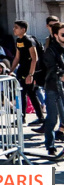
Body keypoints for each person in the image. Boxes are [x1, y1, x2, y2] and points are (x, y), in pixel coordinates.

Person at [10, 20, 44, 124]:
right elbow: (17, 57)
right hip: (22, 70)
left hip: (30, 71)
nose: (14, 29)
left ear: (23, 29)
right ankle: (22, 117)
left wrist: (31, 74)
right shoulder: (18, 41)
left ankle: (39, 117)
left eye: (16, 27)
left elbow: (35, 58)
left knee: (31, 93)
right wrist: (10, 70)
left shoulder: (29, 41)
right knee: (23, 94)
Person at [41, 22, 64, 156]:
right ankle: (50, 145)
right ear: (55, 35)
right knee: (52, 118)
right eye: (63, 34)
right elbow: (51, 67)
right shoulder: (50, 50)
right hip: (53, 87)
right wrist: (61, 75)